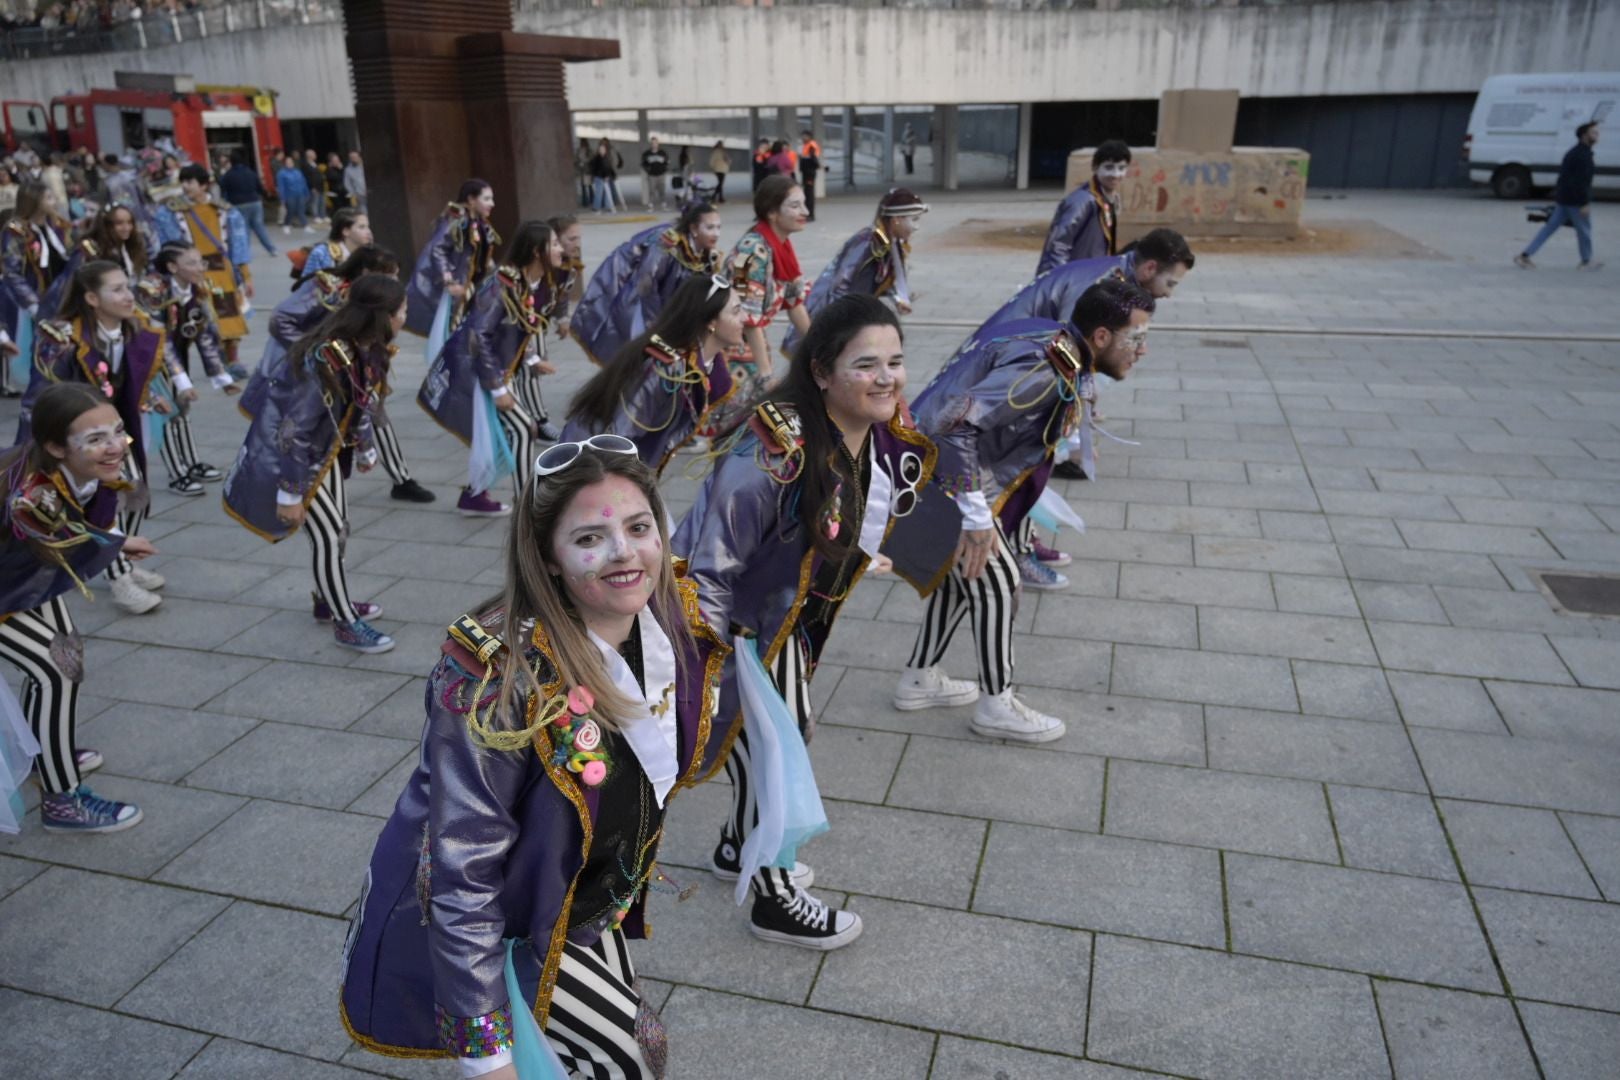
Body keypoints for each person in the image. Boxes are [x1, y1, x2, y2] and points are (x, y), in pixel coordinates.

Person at [339, 437, 727, 1078]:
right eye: (590, 539)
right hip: (514, 920)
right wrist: (484, 1054)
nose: (625, 552)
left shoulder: (668, 622)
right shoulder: (500, 679)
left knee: (635, 1048)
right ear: (547, 558)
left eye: (639, 527)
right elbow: (460, 864)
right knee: (628, 1055)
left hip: (587, 897)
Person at [676, 293, 933, 948]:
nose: (887, 378)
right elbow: (710, 565)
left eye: (896, 362)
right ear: (820, 372)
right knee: (778, 748)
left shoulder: (867, 429)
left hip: (783, 617)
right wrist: (709, 660)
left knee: (772, 739)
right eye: (867, 364)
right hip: (735, 622)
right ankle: (774, 897)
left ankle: (739, 846)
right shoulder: (771, 453)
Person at [884, 278, 1154, 735]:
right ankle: (997, 705)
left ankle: (918, 679)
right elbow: (956, 425)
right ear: (1102, 337)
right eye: (1138, 338)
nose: (1143, 350)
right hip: (944, 476)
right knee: (999, 582)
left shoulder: (1060, 348)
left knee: (961, 580)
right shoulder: (1047, 368)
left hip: (943, 473)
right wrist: (974, 515)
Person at [223, 274, 404, 655]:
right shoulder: (328, 357)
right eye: (401, 311)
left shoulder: (364, 347)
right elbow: (295, 431)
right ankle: (344, 621)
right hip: (295, 462)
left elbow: (362, 402)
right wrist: (290, 493)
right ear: (382, 316)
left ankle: (328, 599)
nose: (407, 317)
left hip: (324, 455)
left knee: (338, 530)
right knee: (327, 533)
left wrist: (365, 445)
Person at [2, 382, 153, 833]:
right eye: (95, 439)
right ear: (53, 446)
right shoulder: (30, 492)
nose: (114, 447)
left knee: (64, 659)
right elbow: (60, 532)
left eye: (118, 431)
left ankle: (43, 754)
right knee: (52, 669)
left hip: (15, 579)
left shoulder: (63, 471)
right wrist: (119, 542)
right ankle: (62, 800)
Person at [19, 260, 170, 615]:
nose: (128, 296)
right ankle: (118, 578)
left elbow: (124, 381)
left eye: (128, 287)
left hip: (116, 431)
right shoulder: (61, 338)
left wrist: (150, 397)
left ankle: (121, 558)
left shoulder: (130, 330)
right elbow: (45, 399)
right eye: (116, 289)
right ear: (90, 297)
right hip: (75, 441)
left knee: (132, 490)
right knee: (99, 502)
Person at [418, 221, 564, 518]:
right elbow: (478, 335)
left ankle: (474, 495)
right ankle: (528, 503)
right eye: (556, 244)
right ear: (537, 252)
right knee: (523, 429)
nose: (562, 249)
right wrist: (497, 388)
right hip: (476, 372)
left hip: (489, 370)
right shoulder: (502, 285)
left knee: (506, 433)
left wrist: (532, 360)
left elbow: (511, 330)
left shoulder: (524, 282)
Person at [561, 272, 744, 474]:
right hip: (588, 466)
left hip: (628, 467)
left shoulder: (711, 364)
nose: (745, 318)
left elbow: (726, 419)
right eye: (736, 312)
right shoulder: (663, 370)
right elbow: (617, 438)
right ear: (711, 321)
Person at [242, 244, 400, 424]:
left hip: (340, 371)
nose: (395, 281)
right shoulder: (327, 288)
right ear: (366, 272)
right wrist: (311, 348)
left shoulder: (370, 298)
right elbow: (279, 319)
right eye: (389, 276)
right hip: (307, 368)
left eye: (396, 275)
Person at [704, 175, 811, 435]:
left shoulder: (781, 246)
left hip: (751, 344)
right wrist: (765, 374)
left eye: (804, 204)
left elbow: (793, 302)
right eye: (795, 206)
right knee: (731, 416)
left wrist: (818, 346)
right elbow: (748, 319)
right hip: (729, 344)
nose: (805, 212)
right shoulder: (752, 252)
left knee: (751, 417)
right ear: (773, 213)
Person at [141, 241, 241, 497]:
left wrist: (221, 375)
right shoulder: (153, 291)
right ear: (173, 267)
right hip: (148, 357)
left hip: (176, 354)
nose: (200, 268)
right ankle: (177, 473)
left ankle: (191, 461)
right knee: (166, 412)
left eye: (200, 262)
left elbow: (203, 333)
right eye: (192, 263)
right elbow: (158, 338)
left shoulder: (194, 289)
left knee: (182, 409)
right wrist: (182, 380)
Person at [572, 201, 724, 367]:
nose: (716, 234)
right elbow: (645, 285)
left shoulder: (707, 252)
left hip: (671, 306)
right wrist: (657, 325)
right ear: (694, 229)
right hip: (642, 302)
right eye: (709, 228)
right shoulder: (665, 245)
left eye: (718, 227)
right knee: (641, 352)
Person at [784, 187, 927, 356]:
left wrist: (897, 298)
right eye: (914, 219)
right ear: (896, 219)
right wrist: (841, 322)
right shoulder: (867, 242)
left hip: (854, 316)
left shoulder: (890, 244)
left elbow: (874, 280)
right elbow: (840, 284)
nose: (917, 227)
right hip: (835, 318)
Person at [986, 227, 1194, 328]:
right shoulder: (1102, 284)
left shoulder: (1118, 276)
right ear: (1150, 268)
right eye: (1170, 284)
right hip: (1005, 354)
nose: (1168, 294)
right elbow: (1068, 340)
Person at [154, 163, 254, 371]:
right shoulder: (171, 212)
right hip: (194, 272)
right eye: (183, 181)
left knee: (229, 315)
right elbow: (168, 245)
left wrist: (245, 275)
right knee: (204, 316)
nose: (185, 186)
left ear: (204, 185)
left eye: (190, 182)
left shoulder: (224, 210)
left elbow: (239, 243)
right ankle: (215, 359)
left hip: (223, 271)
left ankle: (232, 358)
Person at [403, 179, 500, 359]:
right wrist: (448, 279)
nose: (492, 204)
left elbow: (483, 255)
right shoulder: (457, 219)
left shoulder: (479, 222)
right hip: (457, 287)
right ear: (471, 199)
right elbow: (437, 249)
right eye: (487, 199)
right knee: (453, 335)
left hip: (473, 287)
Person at [1, 180, 70, 396]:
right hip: (31, 301)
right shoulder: (16, 231)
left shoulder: (56, 227)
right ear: (35, 201)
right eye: (49, 197)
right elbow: (12, 272)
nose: (55, 201)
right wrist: (33, 304)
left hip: (60, 298)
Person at [39, 204, 149, 323]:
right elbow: (72, 285)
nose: (126, 227)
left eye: (129, 222)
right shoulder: (89, 250)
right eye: (120, 223)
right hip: (89, 314)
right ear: (107, 225)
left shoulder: (129, 247)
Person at [1037, 139, 1130, 275]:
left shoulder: (1109, 199)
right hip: (1074, 280)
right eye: (1109, 167)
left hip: (1092, 277)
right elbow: (1057, 246)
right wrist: (1060, 283)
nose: (1115, 174)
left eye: (1121, 168)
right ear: (1095, 167)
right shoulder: (1082, 201)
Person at [1517, 122, 1602, 271]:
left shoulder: (1575, 152)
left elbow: (1565, 178)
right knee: (1584, 231)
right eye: (1593, 132)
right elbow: (1581, 182)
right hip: (1575, 201)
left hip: (1564, 200)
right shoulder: (1582, 155)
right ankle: (1586, 261)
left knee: (1549, 228)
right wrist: (1584, 203)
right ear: (1584, 135)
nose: (1597, 135)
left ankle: (1525, 255)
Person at [218, 150, 278, 257]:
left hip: (238, 204)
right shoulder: (251, 172)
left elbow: (223, 191)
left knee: (244, 229)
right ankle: (271, 249)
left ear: (231, 162)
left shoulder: (228, 175)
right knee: (259, 227)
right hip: (255, 202)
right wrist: (265, 196)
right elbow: (259, 187)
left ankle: (245, 252)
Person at [301, 207, 374, 280]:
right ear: (346, 231)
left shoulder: (372, 254)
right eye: (362, 227)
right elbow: (304, 287)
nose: (368, 232)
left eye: (368, 227)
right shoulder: (322, 253)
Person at [274, 153, 310, 235]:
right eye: (288, 162)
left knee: (301, 210)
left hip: (300, 194)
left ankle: (305, 226)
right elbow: (281, 187)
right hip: (289, 195)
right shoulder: (281, 173)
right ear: (285, 163)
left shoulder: (298, 172)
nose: (289, 164)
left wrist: (306, 192)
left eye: (291, 162)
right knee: (290, 211)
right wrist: (282, 198)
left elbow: (303, 182)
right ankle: (286, 225)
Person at [588, 141, 619, 215]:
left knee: (607, 193)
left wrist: (613, 176)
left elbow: (609, 168)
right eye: (600, 149)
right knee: (599, 193)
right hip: (599, 178)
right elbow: (596, 169)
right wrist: (603, 176)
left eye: (603, 149)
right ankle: (596, 208)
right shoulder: (596, 159)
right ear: (599, 150)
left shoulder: (606, 158)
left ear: (605, 150)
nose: (602, 151)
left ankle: (608, 207)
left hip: (606, 178)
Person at [641, 136, 670, 212]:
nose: (654, 144)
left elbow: (667, 162)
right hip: (652, 175)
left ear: (658, 144)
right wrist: (648, 170)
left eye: (655, 143)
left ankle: (664, 205)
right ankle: (651, 206)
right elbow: (643, 164)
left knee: (662, 190)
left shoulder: (662, 153)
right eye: (652, 143)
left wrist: (664, 170)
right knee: (651, 191)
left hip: (661, 175)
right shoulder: (647, 154)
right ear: (651, 144)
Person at [799, 130, 822, 221]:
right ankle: (808, 213)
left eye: (804, 136)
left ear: (809, 137)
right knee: (807, 193)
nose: (803, 138)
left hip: (809, 173)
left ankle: (811, 215)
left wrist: (814, 166)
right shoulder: (806, 146)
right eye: (802, 136)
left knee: (809, 194)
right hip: (807, 172)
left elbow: (813, 159)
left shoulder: (811, 146)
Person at [299, 148, 326, 226]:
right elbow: (308, 177)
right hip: (313, 186)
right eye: (314, 154)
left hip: (320, 185)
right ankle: (316, 216)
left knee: (322, 201)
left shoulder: (314, 164)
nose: (315, 155)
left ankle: (323, 215)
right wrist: (312, 187)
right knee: (315, 202)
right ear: (309, 156)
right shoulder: (305, 165)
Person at [324, 152, 350, 217]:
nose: (337, 162)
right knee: (339, 209)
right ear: (331, 162)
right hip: (335, 193)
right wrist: (341, 169)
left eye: (338, 160)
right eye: (335, 160)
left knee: (347, 208)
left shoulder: (341, 168)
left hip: (344, 192)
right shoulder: (329, 170)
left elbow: (346, 177)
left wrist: (341, 169)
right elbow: (336, 178)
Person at [343, 150, 368, 215]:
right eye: (351, 158)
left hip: (371, 191)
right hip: (359, 194)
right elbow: (347, 183)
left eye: (354, 157)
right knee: (363, 211)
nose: (353, 159)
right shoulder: (348, 169)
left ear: (359, 157)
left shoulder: (367, 165)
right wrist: (353, 192)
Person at [709, 140, 730, 204]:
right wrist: (712, 167)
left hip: (722, 169)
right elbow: (712, 161)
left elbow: (727, 160)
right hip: (719, 169)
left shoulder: (722, 152)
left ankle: (719, 197)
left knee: (720, 184)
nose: (722, 146)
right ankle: (715, 196)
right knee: (720, 184)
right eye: (721, 144)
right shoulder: (717, 152)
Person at [574, 136, 593, 208]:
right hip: (583, 171)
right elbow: (575, 159)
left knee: (588, 186)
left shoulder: (588, 150)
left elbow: (591, 159)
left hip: (587, 171)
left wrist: (584, 162)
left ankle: (589, 201)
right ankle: (586, 201)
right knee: (585, 187)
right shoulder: (579, 150)